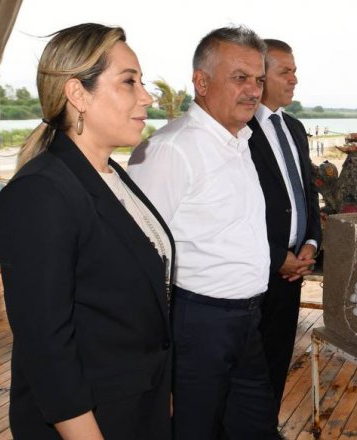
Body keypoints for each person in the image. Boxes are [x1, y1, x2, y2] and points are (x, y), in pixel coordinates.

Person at [0, 23, 173, 439]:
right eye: (129, 82)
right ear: (78, 94)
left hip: (135, 408)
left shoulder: (113, 176)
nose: (146, 96)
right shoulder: (40, 193)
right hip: (89, 422)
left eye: (142, 82)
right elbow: (46, 348)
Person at [127, 25, 278, 439]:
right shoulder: (171, 149)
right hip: (197, 323)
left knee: (257, 427)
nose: (253, 90)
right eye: (240, 77)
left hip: (247, 320)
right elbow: (137, 255)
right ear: (201, 82)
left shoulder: (240, 140)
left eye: (259, 80)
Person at [247, 39, 321, 414]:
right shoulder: (239, 132)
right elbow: (238, 211)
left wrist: (311, 242)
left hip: (294, 273)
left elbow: (308, 192)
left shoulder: (294, 128)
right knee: (248, 369)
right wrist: (277, 257)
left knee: (278, 361)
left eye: (294, 70)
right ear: (261, 78)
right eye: (285, 71)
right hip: (256, 273)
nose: (295, 79)